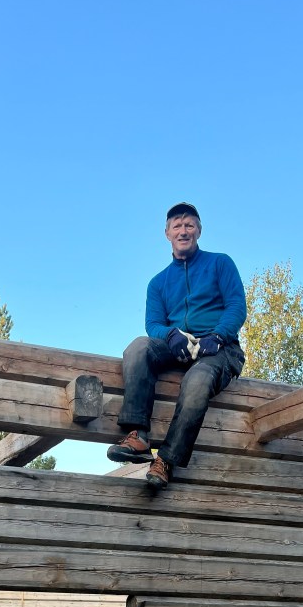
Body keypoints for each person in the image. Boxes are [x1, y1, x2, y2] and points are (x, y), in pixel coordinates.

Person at [107, 202, 247, 489]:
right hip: (179, 346)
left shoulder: (220, 263)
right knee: (138, 347)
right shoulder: (157, 283)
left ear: (199, 230)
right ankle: (138, 435)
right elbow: (153, 324)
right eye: (177, 226)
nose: (184, 231)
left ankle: (166, 460)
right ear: (167, 233)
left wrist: (218, 336)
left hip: (220, 349)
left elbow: (236, 306)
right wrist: (171, 335)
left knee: (197, 380)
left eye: (189, 225)